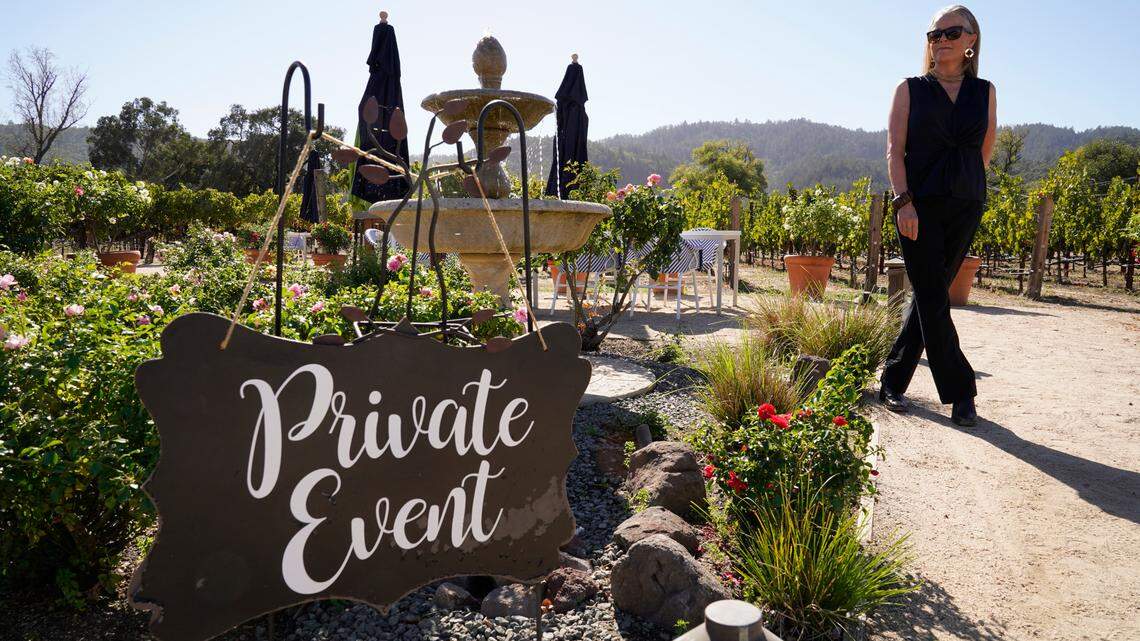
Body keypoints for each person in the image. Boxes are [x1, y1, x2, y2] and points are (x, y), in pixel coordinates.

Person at [879, 5, 996, 427]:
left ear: (970, 41)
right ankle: (962, 391)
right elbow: (895, 149)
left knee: (929, 296)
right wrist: (903, 201)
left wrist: (967, 188)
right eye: (934, 34)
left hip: (966, 204)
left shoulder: (984, 91)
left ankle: (892, 380)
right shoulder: (909, 88)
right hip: (918, 205)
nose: (940, 40)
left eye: (950, 33)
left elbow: (984, 149)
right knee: (932, 297)